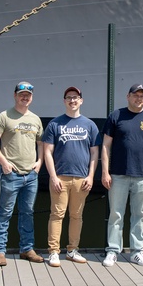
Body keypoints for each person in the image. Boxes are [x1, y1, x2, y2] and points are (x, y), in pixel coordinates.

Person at [100, 83, 143, 267]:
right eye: (135, 95)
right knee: (116, 214)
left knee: (140, 214)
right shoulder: (116, 116)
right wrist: (105, 171)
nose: (139, 98)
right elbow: (106, 145)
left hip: (142, 175)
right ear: (128, 96)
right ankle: (113, 251)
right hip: (118, 174)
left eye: (142, 96)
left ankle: (137, 251)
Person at [0, 81, 44, 266]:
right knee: (4, 213)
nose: (25, 97)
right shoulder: (4, 117)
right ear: (15, 95)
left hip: (31, 175)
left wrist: (39, 162)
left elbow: (41, 143)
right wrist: (4, 162)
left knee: (28, 212)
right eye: (21, 94)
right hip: (10, 175)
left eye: (28, 94)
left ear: (32, 97)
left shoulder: (35, 119)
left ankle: (27, 248)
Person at [42, 86, 99, 267]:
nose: (72, 100)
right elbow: (47, 152)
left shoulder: (90, 125)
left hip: (81, 178)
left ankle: (72, 250)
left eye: (75, 97)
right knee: (57, 214)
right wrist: (53, 176)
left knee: (76, 216)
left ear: (81, 100)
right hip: (60, 177)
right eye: (69, 98)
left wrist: (91, 176)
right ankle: (53, 251)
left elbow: (94, 153)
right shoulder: (55, 124)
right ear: (64, 101)